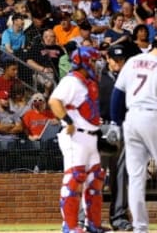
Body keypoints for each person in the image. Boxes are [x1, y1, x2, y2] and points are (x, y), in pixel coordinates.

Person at [110, 32, 157, 233]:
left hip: (131, 119)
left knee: (135, 176)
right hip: (152, 116)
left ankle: (139, 227)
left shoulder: (132, 61)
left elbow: (117, 97)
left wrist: (117, 124)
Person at [48, 46, 107, 233]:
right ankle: (70, 225)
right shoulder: (71, 81)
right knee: (74, 179)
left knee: (95, 180)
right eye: (92, 61)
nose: (95, 64)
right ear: (82, 62)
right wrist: (67, 120)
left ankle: (93, 224)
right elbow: (54, 101)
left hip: (90, 137)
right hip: (75, 136)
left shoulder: (87, 83)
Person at [98, 45, 133, 231]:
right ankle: (89, 218)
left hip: (122, 127)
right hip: (101, 127)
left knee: (121, 176)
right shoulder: (97, 76)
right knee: (97, 175)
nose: (119, 63)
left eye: (121, 60)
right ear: (108, 59)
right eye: (115, 59)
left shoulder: (129, 78)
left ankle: (119, 217)